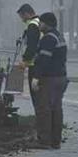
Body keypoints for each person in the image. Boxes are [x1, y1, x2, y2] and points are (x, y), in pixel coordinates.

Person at [32, 11, 68, 148]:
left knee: (44, 109)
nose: (39, 25)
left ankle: (44, 141)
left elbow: (44, 60)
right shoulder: (59, 37)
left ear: (46, 24)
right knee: (56, 109)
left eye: (41, 22)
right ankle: (55, 141)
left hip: (50, 79)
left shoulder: (48, 39)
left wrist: (36, 77)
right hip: (61, 77)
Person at [14, 3, 43, 100]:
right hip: (40, 61)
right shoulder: (39, 22)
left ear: (26, 14)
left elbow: (32, 46)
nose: (21, 19)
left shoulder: (32, 25)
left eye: (21, 16)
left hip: (34, 64)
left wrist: (25, 61)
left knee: (36, 95)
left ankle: (39, 114)